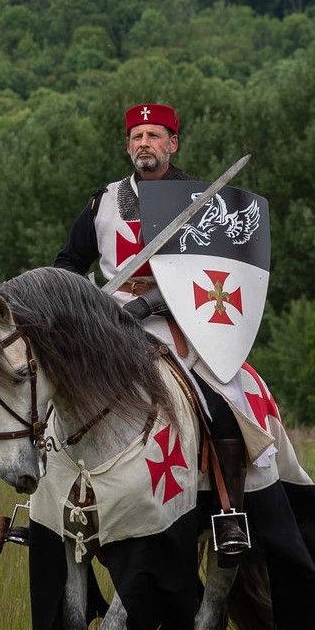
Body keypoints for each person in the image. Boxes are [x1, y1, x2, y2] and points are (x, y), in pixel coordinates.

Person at [54, 103, 254, 563]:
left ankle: (229, 514)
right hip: (106, 322)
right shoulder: (103, 201)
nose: (146, 143)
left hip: (178, 321)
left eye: (155, 135)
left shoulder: (202, 201)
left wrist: (147, 304)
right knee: (49, 394)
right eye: (138, 136)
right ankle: (44, 504)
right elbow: (68, 260)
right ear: (128, 146)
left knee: (222, 398)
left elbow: (211, 272)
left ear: (173, 144)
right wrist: (81, 300)